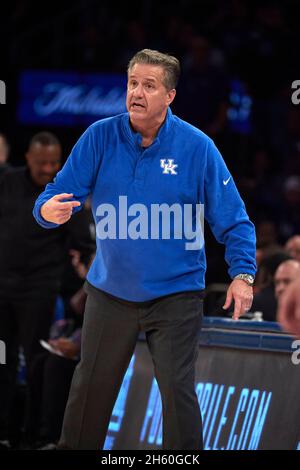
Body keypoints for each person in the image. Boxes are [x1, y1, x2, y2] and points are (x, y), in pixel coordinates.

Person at [33, 49, 256, 450]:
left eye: (148, 86)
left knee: (176, 392)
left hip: (176, 295)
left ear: (169, 96)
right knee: (90, 392)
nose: (136, 93)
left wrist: (242, 274)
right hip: (110, 292)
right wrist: (46, 210)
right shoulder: (100, 136)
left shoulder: (198, 148)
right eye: (132, 83)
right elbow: (52, 197)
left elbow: (234, 220)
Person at [0, 132, 94, 449]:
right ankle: (3, 432)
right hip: (2, 286)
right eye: (42, 163)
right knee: (3, 358)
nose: (48, 168)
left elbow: (84, 244)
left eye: (54, 162)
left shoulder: (64, 193)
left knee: (38, 360)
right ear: (27, 157)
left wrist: (86, 267)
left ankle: (36, 435)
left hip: (39, 288)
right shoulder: (7, 183)